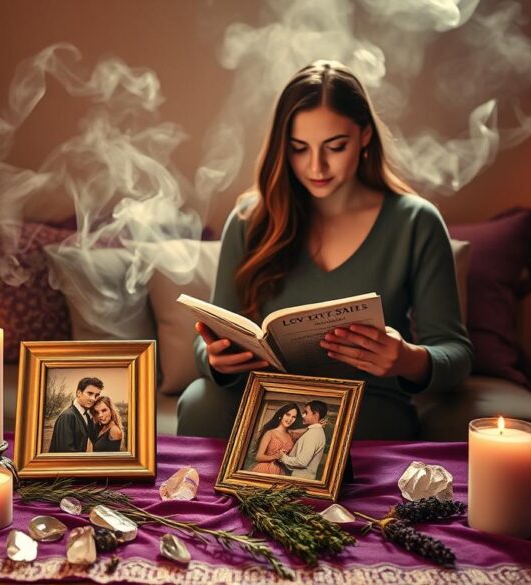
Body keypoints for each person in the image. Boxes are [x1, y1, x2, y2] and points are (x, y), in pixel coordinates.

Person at [177, 60, 473, 441]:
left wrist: (406, 358)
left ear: (365, 135)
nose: (316, 166)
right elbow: (209, 346)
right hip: (268, 406)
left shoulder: (415, 221)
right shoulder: (250, 218)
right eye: (299, 148)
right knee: (200, 400)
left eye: (335, 146)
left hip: (366, 407)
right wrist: (217, 360)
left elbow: (456, 355)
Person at [48, 376, 103, 453]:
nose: (93, 399)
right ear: (78, 393)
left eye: (96, 395)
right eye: (90, 393)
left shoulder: (86, 415)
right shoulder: (67, 416)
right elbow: (65, 453)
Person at [278, 401, 330, 480]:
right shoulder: (314, 431)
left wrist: (283, 457)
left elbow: (302, 462)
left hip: (299, 480)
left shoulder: (313, 434)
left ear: (315, 414)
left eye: (306, 412)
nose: (302, 415)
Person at [249, 403, 301, 475]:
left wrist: (317, 425)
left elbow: (305, 430)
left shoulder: (290, 435)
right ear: (281, 415)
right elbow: (258, 457)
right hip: (264, 469)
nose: (290, 419)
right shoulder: (270, 433)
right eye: (287, 414)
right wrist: (276, 456)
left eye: (294, 417)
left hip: (280, 471)